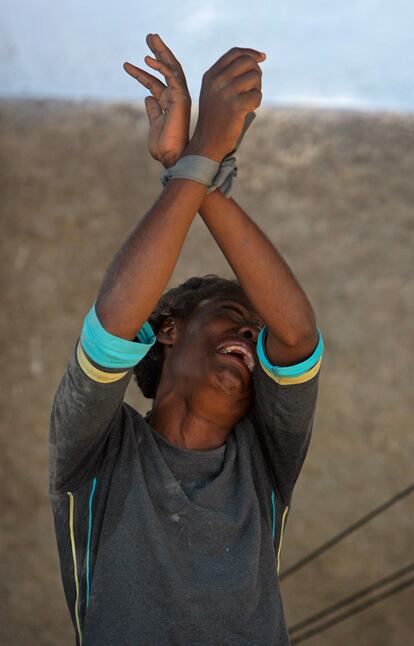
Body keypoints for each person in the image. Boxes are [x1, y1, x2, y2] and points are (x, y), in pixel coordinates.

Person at [49, 34, 324, 646]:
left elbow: (296, 333)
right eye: (233, 314)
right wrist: (202, 157)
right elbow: (114, 325)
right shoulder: (96, 451)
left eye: (256, 328)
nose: (252, 333)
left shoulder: (265, 460)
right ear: (168, 329)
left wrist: (197, 164)